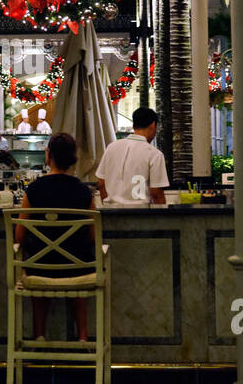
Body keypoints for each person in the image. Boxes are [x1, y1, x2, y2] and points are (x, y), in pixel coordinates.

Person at [17, 133, 96, 341]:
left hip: (40, 267)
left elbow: (19, 235)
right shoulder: (84, 191)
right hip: (77, 268)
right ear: (73, 158)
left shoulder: (33, 190)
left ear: (48, 155)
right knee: (80, 259)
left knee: (38, 260)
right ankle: (83, 336)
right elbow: (92, 236)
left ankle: (39, 334)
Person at [96, 106, 169, 206]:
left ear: (134, 125)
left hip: (110, 215)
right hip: (139, 216)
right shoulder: (154, 154)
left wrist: (108, 207)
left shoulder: (111, 148)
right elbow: (156, 193)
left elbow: (101, 184)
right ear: (153, 125)